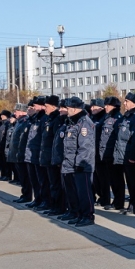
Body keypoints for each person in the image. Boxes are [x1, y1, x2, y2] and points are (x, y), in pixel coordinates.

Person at [61, 97, 96, 227]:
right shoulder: (73, 122)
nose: (66, 110)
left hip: (81, 165)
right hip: (70, 164)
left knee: (84, 193)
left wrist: (80, 164)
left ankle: (88, 216)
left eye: (69, 108)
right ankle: (78, 213)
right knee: (74, 193)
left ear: (75, 109)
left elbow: (85, 146)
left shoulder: (84, 123)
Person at [114, 93, 135, 215]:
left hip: (130, 156)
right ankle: (132, 204)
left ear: (133, 102)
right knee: (130, 182)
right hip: (123, 154)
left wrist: (132, 156)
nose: (124, 103)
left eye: (127, 101)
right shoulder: (126, 117)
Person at [40, 96, 67, 215]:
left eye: (47, 106)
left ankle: (59, 207)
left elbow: (57, 142)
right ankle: (54, 205)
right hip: (48, 156)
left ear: (53, 107)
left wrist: (56, 158)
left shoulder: (57, 119)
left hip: (54, 157)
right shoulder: (50, 119)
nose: (45, 108)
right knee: (52, 184)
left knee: (56, 184)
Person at [99, 96, 124, 211]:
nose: (105, 107)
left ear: (114, 106)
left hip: (114, 154)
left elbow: (118, 139)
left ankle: (119, 202)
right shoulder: (107, 118)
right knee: (112, 180)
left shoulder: (118, 119)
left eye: (108, 105)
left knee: (117, 180)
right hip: (106, 154)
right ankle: (116, 201)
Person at [25, 97, 49, 209]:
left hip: (39, 154)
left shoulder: (44, 118)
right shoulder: (35, 119)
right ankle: (38, 199)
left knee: (42, 181)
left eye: (33, 106)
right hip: (31, 154)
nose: (31, 108)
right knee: (34, 180)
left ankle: (44, 200)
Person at [9, 103, 33, 203]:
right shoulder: (19, 122)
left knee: (25, 177)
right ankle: (24, 194)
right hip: (16, 154)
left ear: (23, 111)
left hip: (22, 154)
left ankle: (27, 196)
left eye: (17, 111)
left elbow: (22, 140)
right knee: (22, 177)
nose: (15, 113)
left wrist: (20, 153)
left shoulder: (25, 121)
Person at [90, 98, 111, 208]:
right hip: (92, 153)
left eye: (94, 106)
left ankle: (106, 199)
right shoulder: (92, 118)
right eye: (91, 106)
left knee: (104, 178)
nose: (92, 108)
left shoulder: (104, 118)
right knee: (95, 179)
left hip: (101, 153)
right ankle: (100, 196)